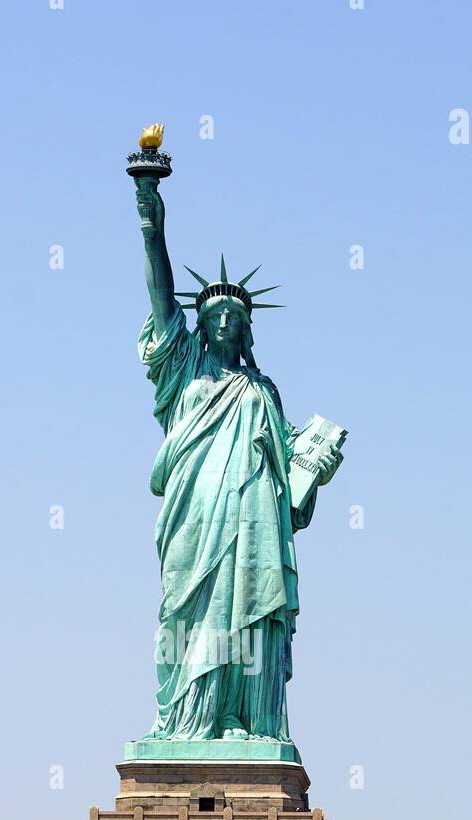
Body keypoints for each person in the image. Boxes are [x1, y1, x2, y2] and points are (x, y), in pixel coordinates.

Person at [134, 180, 343, 744]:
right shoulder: (184, 372)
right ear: (197, 324)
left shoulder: (263, 390)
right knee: (192, 612)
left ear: (247, 328)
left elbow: (292, 471)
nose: (225, 319)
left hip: (253, 521)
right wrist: (150, 211)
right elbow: (160, 289)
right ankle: (188, 720)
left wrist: (315, 463)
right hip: (195, 514)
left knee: (247, 607)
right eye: (214, 311)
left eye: (234, 313)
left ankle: (243, 719)